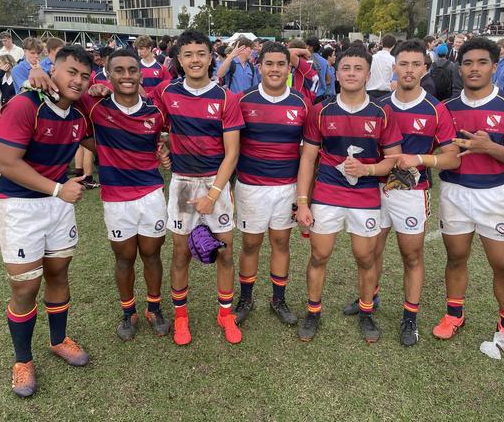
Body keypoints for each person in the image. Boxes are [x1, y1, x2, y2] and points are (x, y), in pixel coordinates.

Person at [340, 40, 460, 346]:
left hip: (410, 192)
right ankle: (370, 298)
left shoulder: (436, 109)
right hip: (374, 189)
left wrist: (420, 159)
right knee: (369, 252)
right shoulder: (381, 106)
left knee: (411, 255)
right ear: (394, 67)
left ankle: (410, 317)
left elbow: (452, 157)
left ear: (425, 68)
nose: (408, 70)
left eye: (415, 64)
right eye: (403, 64)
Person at [0, 45, 93, 398]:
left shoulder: (81, 113)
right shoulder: (25, 105)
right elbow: (6, 163)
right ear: (53, 70)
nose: (78, 81)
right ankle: (22, 360)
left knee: (58, 274)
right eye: (71, 72)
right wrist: (56, 190)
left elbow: (97, 140)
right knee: (24, 287)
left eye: (84, 76)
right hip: (21, 207)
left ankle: (58, 339)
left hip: (58, 205)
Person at [434, 37, 504, 360]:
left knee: (503, 264)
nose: (474, 69)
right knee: (456, 256)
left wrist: (489, 147)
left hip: (493, 195)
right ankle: (454, 313)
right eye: (467, 63)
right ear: (460, 68)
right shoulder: (446, 109)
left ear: (494, 66)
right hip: (454, 192)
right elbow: (437, 150)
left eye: (481, 63)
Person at [294, 46, 403, 342]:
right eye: (346, 68)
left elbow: (393, 160)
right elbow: (307, 159)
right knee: (319, 255)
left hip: (366, 196)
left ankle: (367, 312)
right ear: (337, 73)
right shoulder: (321, 111)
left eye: (358, 68)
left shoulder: (382, 113)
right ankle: (313, 311)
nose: (352, 73)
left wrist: (367, 170)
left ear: (368, 74)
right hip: (327, 193)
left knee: (366, 257)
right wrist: (303, 202)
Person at [152, 30, 245, 345]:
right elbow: (149, 122)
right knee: (180, 254)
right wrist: (161, 147)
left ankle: (225, 314)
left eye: (201, 54)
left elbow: (232, 153)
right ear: (179, 59)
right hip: (182, 185)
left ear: (210, 57)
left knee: (226, 253)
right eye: (188, 54)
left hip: (215, 184)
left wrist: (214, 195)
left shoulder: (225, 98)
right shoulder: (167, 93)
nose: (195, 60)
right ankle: (181, 318)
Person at [80, 49, 171, 340]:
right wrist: (105, 153)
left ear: (140, 73)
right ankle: (128, 312)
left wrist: (165, 154)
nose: (127, 75)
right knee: (124, 258)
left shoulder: (154, 112)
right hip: (116, 197)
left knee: (152, 254)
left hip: (151, 194)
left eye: (132, 70)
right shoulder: (95, 106)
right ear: (108, 74)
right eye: (118, 70)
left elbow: (163, 141)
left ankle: (154, 308)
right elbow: (62, 96)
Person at [233, 42, 310, 327]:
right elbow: (231, 148)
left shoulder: (302, 103)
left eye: (281, 64)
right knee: (251, 243)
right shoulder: (242, 100)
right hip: (250, 186)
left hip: (286, 187)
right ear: (259, 66)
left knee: (281, 242)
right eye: (269, 64)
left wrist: (304, 197)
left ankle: (278, 299)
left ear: (289, 68)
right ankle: (246, 298)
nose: (275, 69)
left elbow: (307, 154)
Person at [366, 34, 396, 99]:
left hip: (370, 91)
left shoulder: (372, 58)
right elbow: (392, 78)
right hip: (386, 93)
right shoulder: (393, 60)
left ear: (382, 44)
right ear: (393, 46)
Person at [305, 36, 329, 102]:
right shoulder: (325, 61)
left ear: (311, 47)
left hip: (308, 95)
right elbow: (328, 80)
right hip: (321, 95)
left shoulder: (305, 61)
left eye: (306, 46)